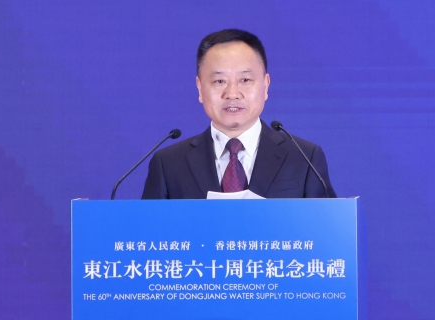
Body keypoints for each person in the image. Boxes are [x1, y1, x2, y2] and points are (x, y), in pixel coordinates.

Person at [141, 29, 337, 199]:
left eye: (245, 80)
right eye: (219, 81)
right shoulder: (169, 164)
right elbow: (149, 228)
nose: (232, 93)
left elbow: (327, 227)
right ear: (200, 88)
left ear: (266, 85)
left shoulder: (305, 158)